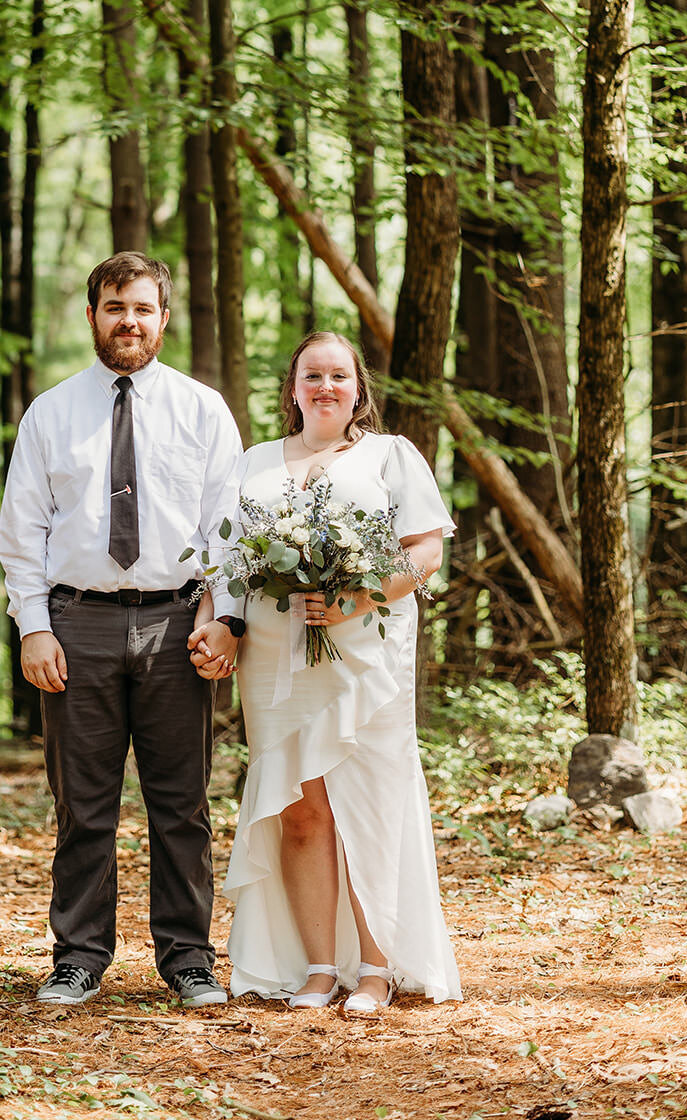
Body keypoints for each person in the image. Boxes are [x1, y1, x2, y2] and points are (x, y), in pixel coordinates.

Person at [0, 252, 245, 1008]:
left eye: (141, 308)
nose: (128, 321)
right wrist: (34, 627)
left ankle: (188, 959)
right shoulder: (50, 413)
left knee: (182, 805)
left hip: (178, 623)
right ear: (92, 316)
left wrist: (226, 617)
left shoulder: (203, 411)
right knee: (83, 806)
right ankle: (78, 957)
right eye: (114, 307)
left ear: (163, 319)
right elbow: (23, 530)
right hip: (79, 623)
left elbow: (228, 530)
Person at [192, 331, 461, 1014]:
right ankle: (315, 967)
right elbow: (222, 565)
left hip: (364, 655)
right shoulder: (253, 462)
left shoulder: (389, 456)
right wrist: (218, 623)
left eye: (337, 375)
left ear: (356, 389)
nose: (324, 387)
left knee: (368, 805)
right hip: (275, 657)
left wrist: (356, 597)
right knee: (299, 809)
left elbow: (424, 552)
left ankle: (374, 968)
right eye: (311, 375)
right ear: (291, 388)